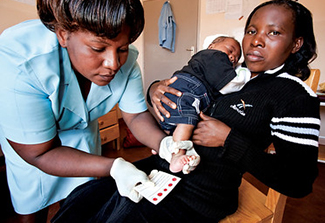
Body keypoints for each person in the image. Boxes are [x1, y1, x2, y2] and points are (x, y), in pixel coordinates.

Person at [51, 1, 320, 222]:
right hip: (162, 169)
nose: (257, 41)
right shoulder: (235, 75)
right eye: (252, 30)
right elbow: (190, 86)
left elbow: (298, 182)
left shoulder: (294, 96)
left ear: (296, 44)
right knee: (83, 200)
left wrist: (228, 140)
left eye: (273, 33)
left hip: (200, 196)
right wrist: (156, 89)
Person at [0, 0, 167, 222]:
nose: (113, 63)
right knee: (32, 209)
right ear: (62, 35)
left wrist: (163, 143)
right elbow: (39, 153)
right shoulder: (21, 60)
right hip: (33, 142)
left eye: (122, 49)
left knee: (80, 201)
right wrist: (115, 166)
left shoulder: (127, 60)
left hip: (81, 134)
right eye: (98, 48)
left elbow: (136, 115)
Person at [159, 36, 250, 174]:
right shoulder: (215, 56)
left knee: (177, 125)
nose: (232, 58)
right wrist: (243, 73)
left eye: (236, 58)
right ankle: (178, 154)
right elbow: (229, 85)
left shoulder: (206, 61)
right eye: (230, 50)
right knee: (187, 122)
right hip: (185, 92)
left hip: (178, 92)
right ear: (211, 46)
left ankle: (165, 146)